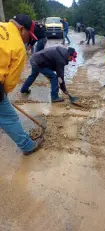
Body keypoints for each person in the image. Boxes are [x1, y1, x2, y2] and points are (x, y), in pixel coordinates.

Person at [0, 14, 43, 155]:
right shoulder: (18, 46)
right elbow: (11, 81)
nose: (29, 40)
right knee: (9, 118)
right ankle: (27, 145)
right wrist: (3, 94)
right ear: (22, 29)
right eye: (29, 36)